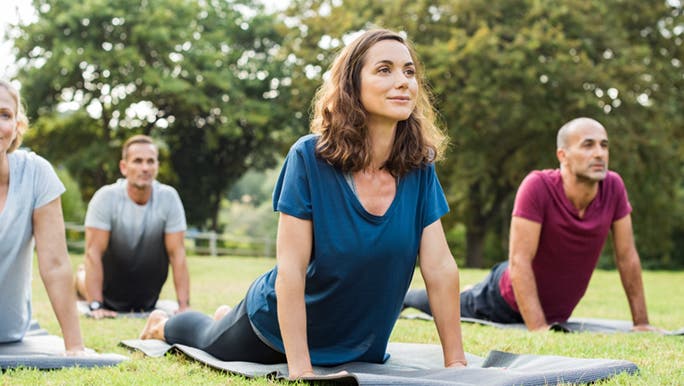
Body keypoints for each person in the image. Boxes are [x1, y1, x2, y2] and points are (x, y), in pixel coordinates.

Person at [139, 28, 467, 379]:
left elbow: (440, 268)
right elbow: (291, 271)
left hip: (357, 342)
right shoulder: (309, 158)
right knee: (205, 337)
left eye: (409, 71)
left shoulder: (418, 167)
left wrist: (457, 365)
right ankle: (163, 324)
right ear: (351, 85)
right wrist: (300, 370)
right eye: (384, 69)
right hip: (273, 333)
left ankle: (223, 314)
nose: (402, 81)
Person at [404, 117, 659, 332]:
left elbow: (627, 257)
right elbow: (520, 261)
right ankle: (406, 297)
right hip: (502, 300)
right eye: (588, 145)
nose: (599, 153)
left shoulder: (613, 187)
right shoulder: (538, 186)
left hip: (555, 311)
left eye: (604, 146)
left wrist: (642, 323)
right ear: (563, 155)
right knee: (449, 303)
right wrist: (539, 329)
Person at [0, 79, 86, 354]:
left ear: (16, 127)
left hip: (8, 331)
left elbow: (56, 264)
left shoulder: (36, 173)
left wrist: (75, 347)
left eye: (4, 115)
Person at [75, 134, 190, 318]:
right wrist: (96, 305)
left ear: (157, 166)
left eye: (150, 161)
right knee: (84, 274)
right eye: (137, 161)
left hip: (146, 297)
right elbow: (93, 252)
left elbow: (178, 254)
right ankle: (81, 278)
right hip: (107, 291)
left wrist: (184, 306)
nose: (145, 168)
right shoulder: (105, 198)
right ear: (124, 167)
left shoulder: (169, 198)